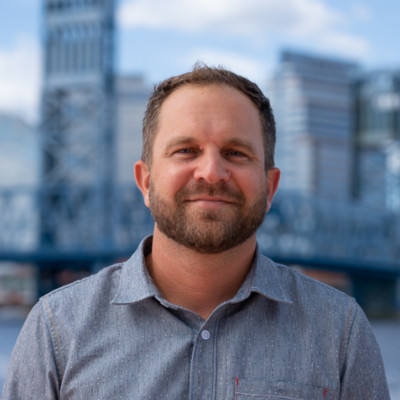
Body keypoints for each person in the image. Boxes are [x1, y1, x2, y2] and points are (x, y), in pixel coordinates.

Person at [2, 65, 389, 399]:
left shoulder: (341, 331)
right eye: (185, 150)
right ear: (145, 182)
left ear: (270, 188)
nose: (211, 173)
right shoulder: (56, 328)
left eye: (236, 153)